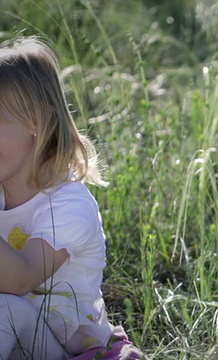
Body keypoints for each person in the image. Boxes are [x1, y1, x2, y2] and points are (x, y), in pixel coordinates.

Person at [0, 37, 142, 359]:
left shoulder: (68, 205)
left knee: (4, 309)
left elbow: (22, 278)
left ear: (37, 122)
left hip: (71, 350)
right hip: (19, 341)